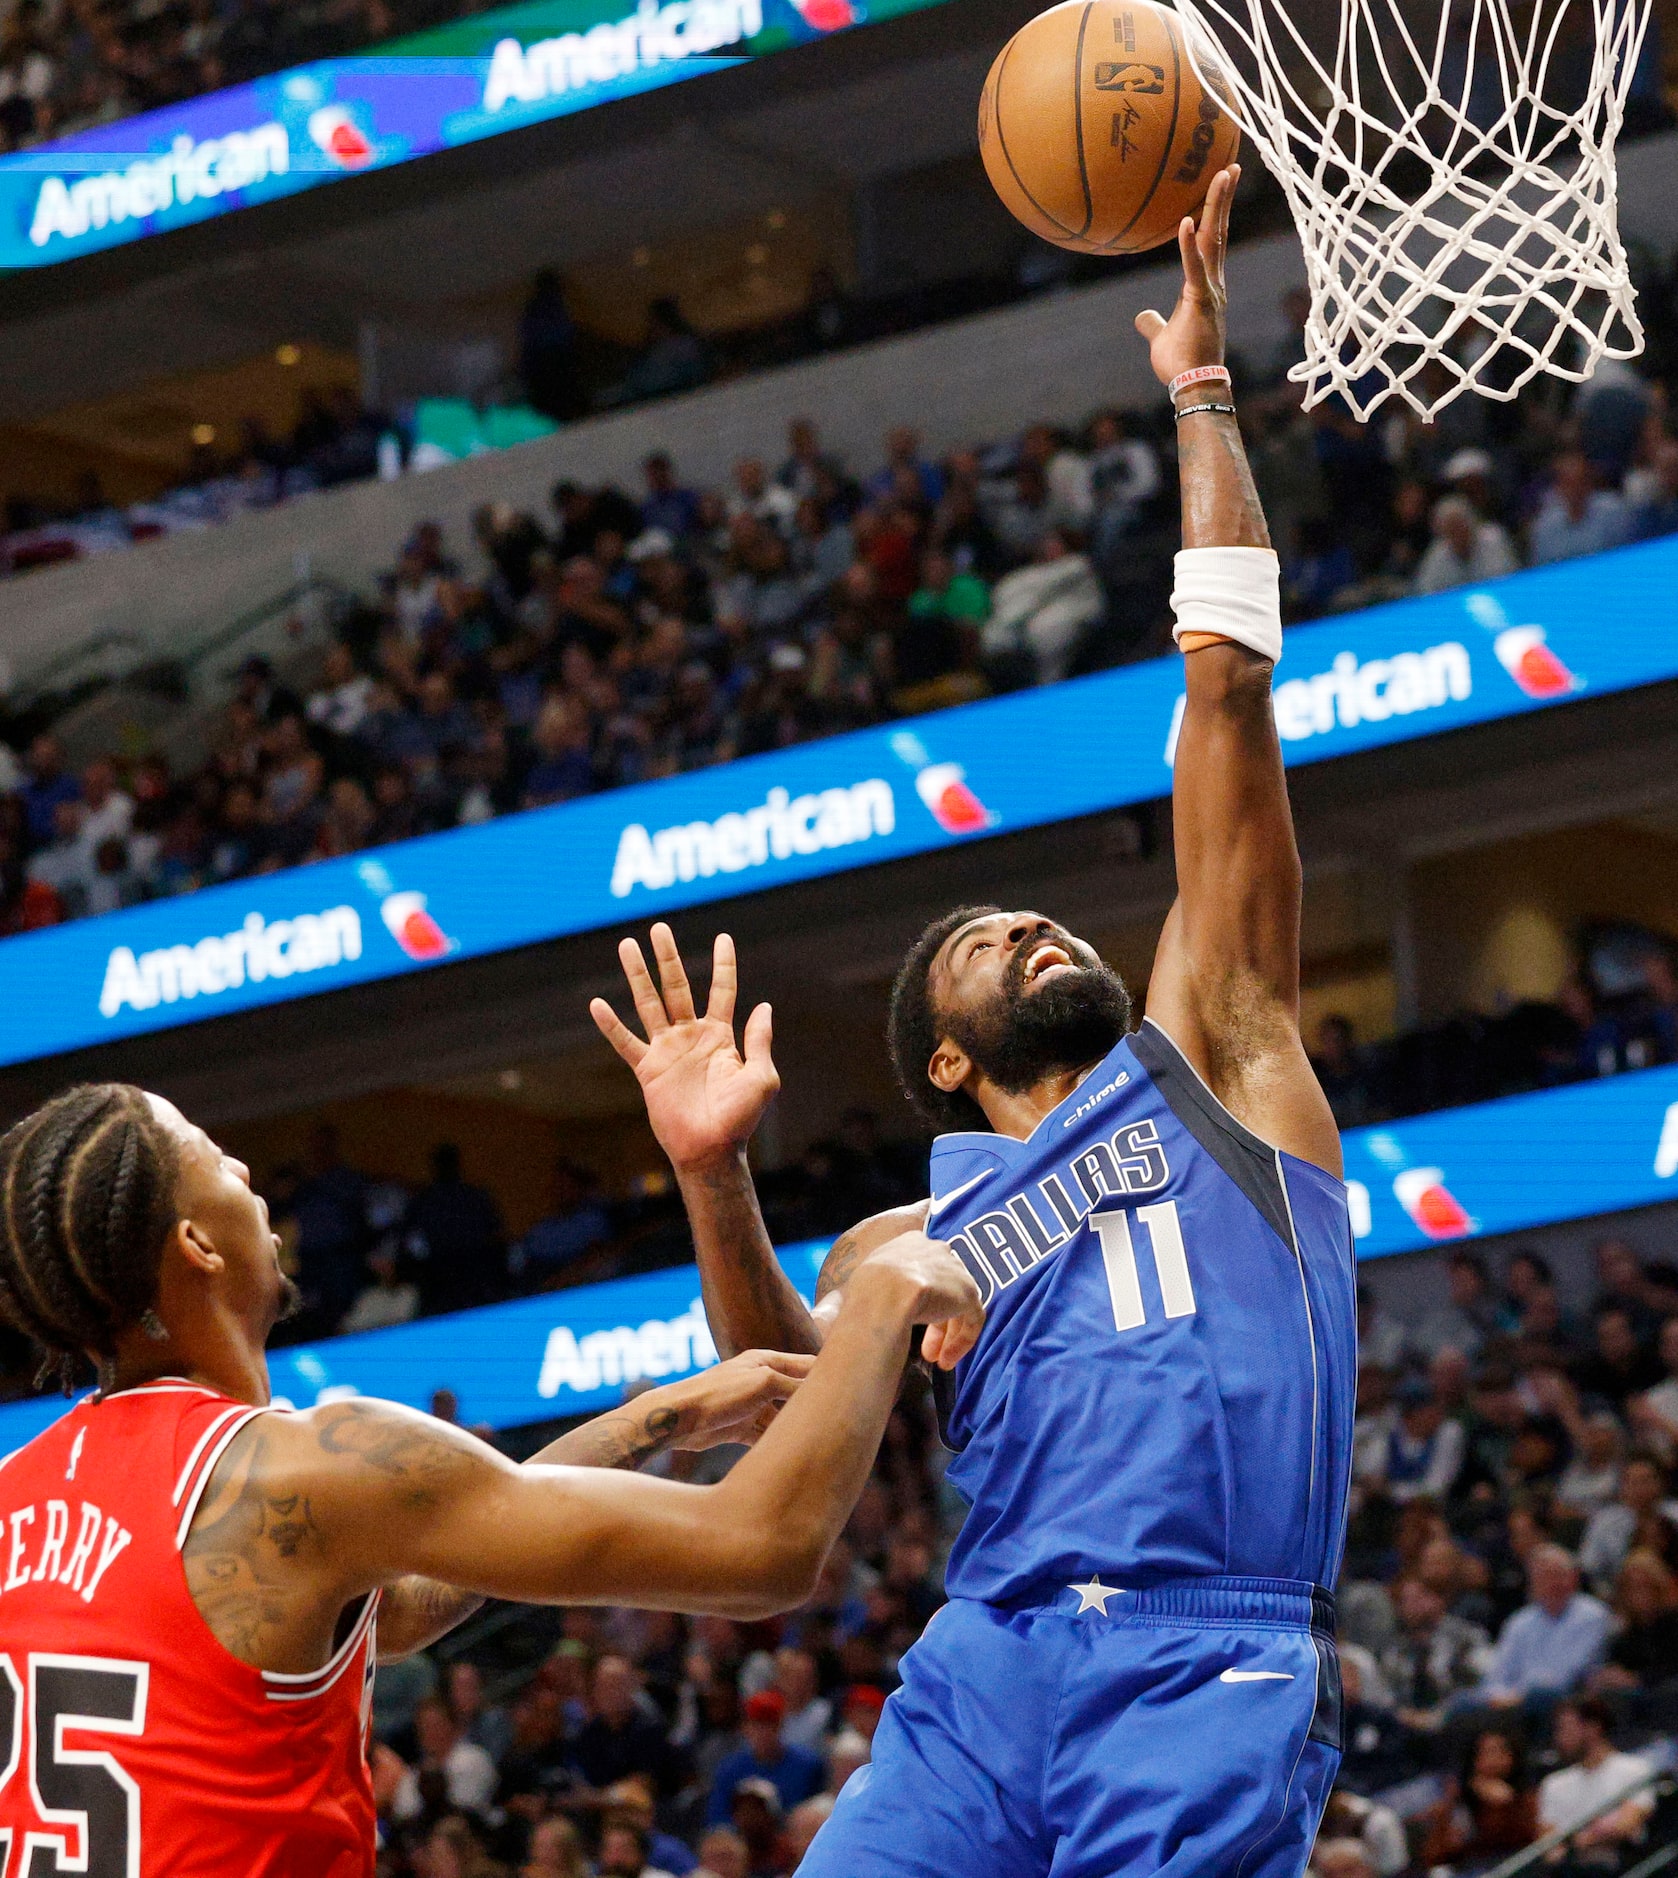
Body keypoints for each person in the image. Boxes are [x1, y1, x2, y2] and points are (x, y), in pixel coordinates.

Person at [592, 168, 1358, 1878]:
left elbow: (1225, 688)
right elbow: (787, 1376)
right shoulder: (918, 1229)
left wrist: (1203, 398)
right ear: (940, 1059)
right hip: (985, 1657)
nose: (1029, 923)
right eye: (977, 939)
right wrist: (714, 1179)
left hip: (1198, 1645)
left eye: (1040, 919)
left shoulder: (1218, 1055)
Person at [0, 1081, 980, 1873]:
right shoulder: (295, 1465)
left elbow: (387, 1618)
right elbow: (760, 1553)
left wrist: (648, 1418)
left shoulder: (19, 1492)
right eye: (215, 1157)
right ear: (197, 1245)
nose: (248, 1167)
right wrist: (879, 1300)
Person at [1536, 1697, 1655, 1865]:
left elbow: (1626, 1824)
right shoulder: (1554, 1783)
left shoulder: (1635, 1769)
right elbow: (1548, 1845)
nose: (1559, 1737)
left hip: (1621, 1864)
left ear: (1593, 1728)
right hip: (1568, 1869)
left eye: (1566, 1728)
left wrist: (1573, 1843)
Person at [705, 1689, 825, 1825]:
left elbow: (818, 1813)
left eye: (770, 1725)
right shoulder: (730, 1769)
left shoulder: (808, 1765)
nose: (763, 1733)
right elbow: (718, 1820)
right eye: (756, 1725)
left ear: (781, 1726)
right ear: (745, 1728)